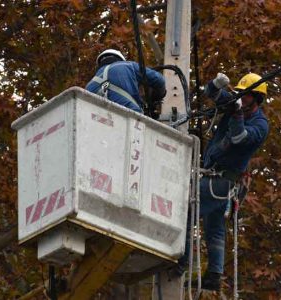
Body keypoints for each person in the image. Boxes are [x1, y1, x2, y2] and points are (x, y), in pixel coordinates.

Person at [176, 72, 269, 291]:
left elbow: (238, 138)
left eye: (246, 96)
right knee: (214, 227)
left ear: (256, 98)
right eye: (240, 94)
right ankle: (214, 276)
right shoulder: (235, 103)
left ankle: (180, 261)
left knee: (186, 211)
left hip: (222, 180)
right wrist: (216, 85)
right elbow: (212, 94)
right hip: (215, 177)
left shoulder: (260, 124)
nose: (242, 98)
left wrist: (236, 111)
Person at [86, 49, 166, 114]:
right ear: (120, 60)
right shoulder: (128, 66)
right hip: (130, 117)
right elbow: (159, 79)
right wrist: (157, 96)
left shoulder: (89, 85)